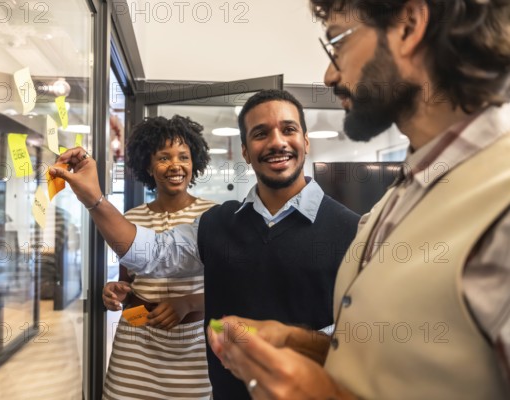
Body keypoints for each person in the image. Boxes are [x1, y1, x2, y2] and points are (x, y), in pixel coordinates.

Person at [207, 0, 510, 399]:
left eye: (337, 42)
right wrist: (296, 342)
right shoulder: (400, 198)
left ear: (409, 26)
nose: (330, 75)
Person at [50, 89, 360, 399]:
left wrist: (290, 342)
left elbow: (362, 338)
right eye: (260, 133)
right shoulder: (217, 223)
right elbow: (150, 254)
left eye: (288, 129)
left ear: (306, 141)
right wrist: (94, 198)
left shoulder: (353, 231)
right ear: (245, 151)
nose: (277, 141)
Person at [100, 115, 215, 399]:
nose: (175, 165)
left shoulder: (214, 216)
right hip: (137, 341)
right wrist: (116, 292)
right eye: (164, 158)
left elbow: (231, 288)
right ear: (148, 166)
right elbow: (127, 283)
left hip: (194, 347)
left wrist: (188, 302)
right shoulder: (131, 218)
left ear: (194, 163)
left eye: (184, 157)